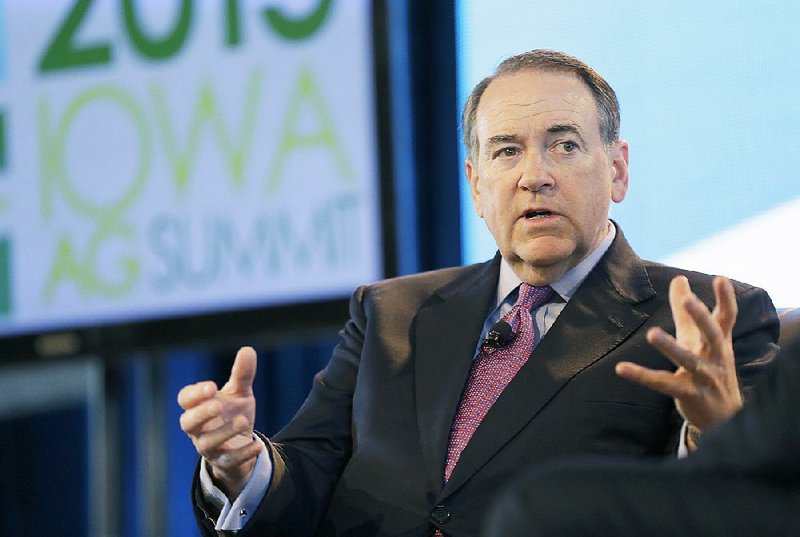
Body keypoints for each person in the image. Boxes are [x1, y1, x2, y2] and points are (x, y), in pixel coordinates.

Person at [177, 50, 780, 536]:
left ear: (617, 170)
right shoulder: (390, 314)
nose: (533, 174)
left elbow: (750, 507)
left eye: (564, 145)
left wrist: (715, 430)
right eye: (507, 150)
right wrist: (241, 465)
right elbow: (303, 479)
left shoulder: (701, 320)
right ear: (474, 184)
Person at [483, 276, 800, 537]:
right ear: (477, 197)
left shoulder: (715, 307)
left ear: (617, 193)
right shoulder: (434, 299)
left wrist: (713, 426)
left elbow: (762, 458)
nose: (533, 193)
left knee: (539, 509)